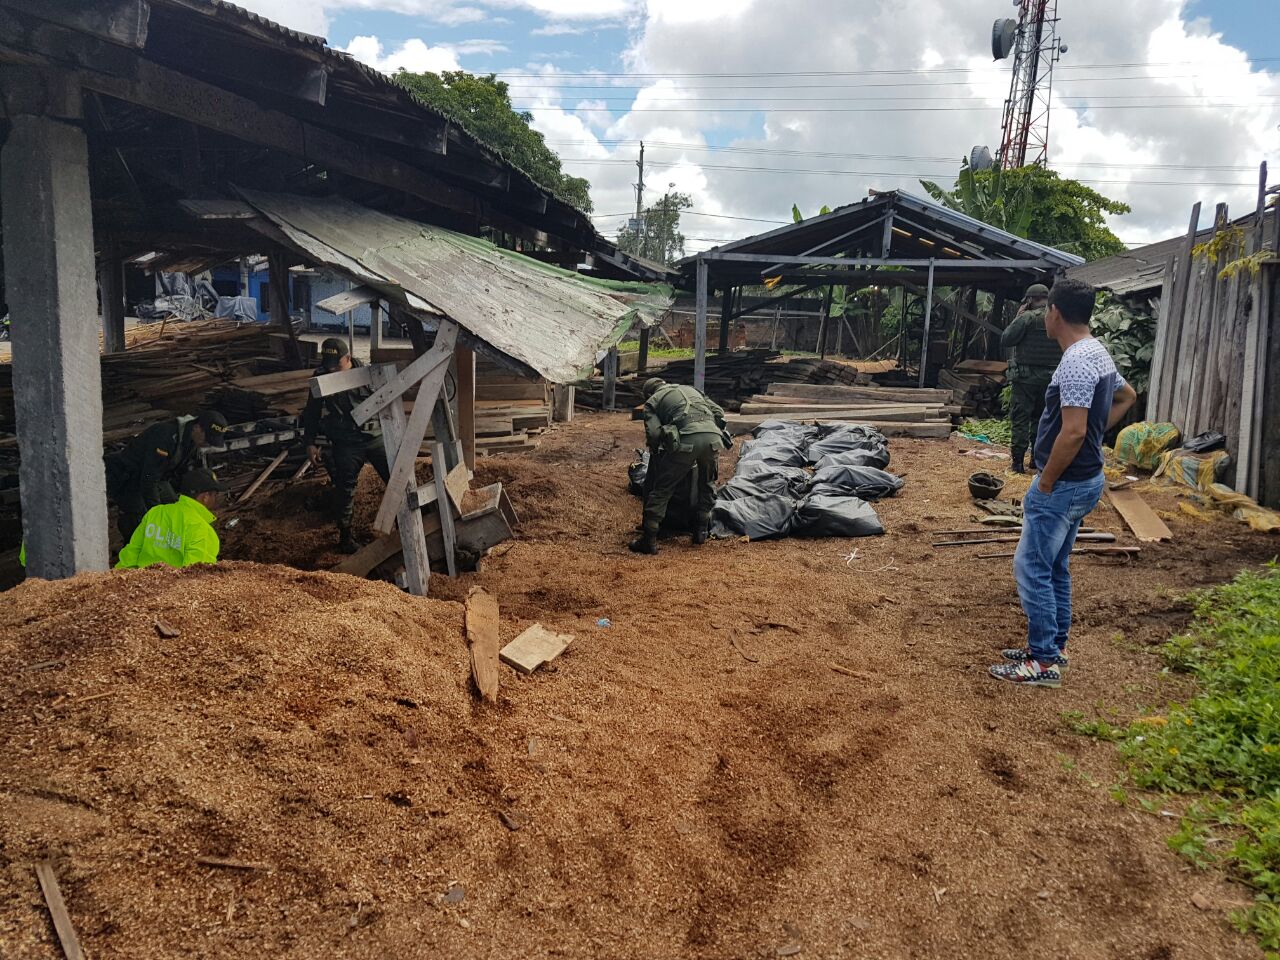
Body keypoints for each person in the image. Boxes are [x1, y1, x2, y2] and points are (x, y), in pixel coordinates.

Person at [990, 278, 1137, 688]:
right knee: (1055, 565)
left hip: (1066, 482)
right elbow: (1128, 395)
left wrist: (1046, 481)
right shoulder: (1097, 352)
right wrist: (1094, 433)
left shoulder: (1074, 361)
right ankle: (1054, 646)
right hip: (1088, 477)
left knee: (1031, 566)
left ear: (1054, 313)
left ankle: (1042, 664)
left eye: (1047, 312)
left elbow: (1071, 433)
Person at [300, 337, 389, 554]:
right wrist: (309, 443)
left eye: (336, 365)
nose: (332, 370)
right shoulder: (321, 377)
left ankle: (406, 523)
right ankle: (346, 535)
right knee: (345, 487)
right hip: (347, 442)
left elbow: (389, 400)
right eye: (328, 364)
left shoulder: (369, 374)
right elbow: (311, 413)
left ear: (348, 358)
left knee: (396, 479)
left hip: (375, 437)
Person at [630, 377, 731, 556]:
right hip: (713, 440)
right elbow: (719, 412)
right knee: (707, 484)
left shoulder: (653, 401)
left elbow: (653, 434)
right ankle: (700, 532)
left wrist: (658, 449)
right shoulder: (692, 390)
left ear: (648, 393)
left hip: (686, 442)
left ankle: (649, 539)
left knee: (662, 489)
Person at [105, 411, 228, 542]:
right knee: (140, 520)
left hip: (158, 477)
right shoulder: (164, 435)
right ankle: (134, 549)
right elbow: (149, 478)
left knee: (176, 508)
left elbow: (178, 473)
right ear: (197, 427)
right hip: (129, 478)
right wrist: (157, 513)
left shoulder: (191, 439)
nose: (208, 444)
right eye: (207, 439)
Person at [1000, 283, 1062, 474]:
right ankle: (1036, 459)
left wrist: (1018, 317)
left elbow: (1006, 339)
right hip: (1051, 379)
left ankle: (1017, 463)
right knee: (1042, 419)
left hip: (1025, 379)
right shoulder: (1059, 318)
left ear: (1029, 300)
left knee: (1020, 419)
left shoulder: (1027, 318)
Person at [115, 468, 226, 569]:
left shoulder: (156, 513)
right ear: (205, 497)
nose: (216, 499)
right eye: (215, 495)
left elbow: (130, 555)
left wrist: (113, 582)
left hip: (141, 587)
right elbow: (195, 578)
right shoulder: (203, 530)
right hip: (171, 589)